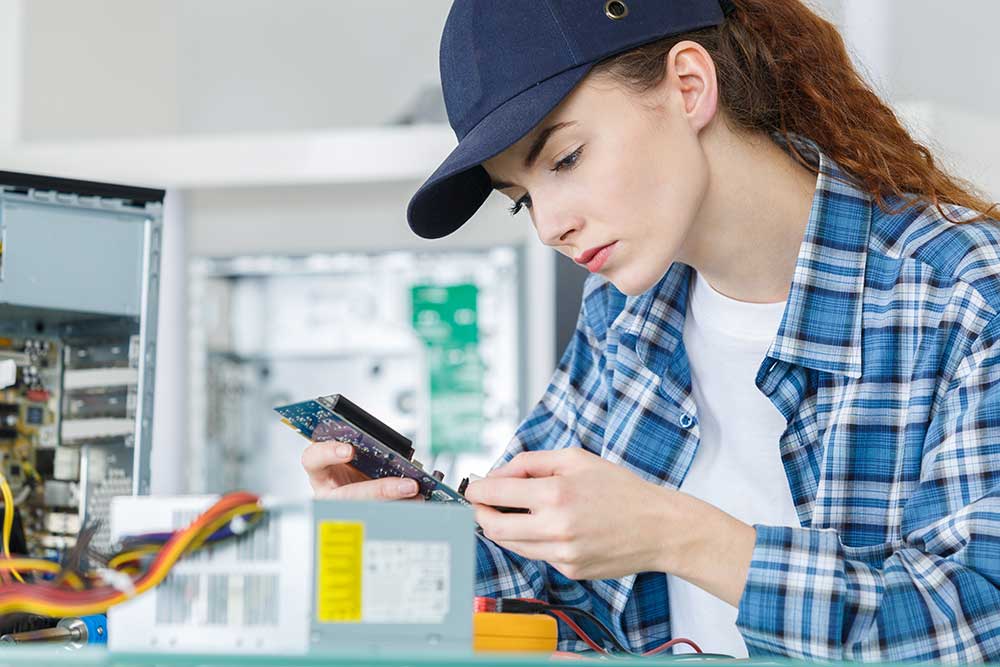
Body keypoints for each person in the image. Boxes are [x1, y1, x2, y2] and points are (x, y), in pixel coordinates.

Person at [301, 0, 1000, 660]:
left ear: (690, 86)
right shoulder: (622, 320)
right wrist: (419, 535)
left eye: (565, 159)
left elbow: (978, 624)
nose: (551, 225)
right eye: (523, 202)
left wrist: (675, 533)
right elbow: (541, 592)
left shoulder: (963, 294)